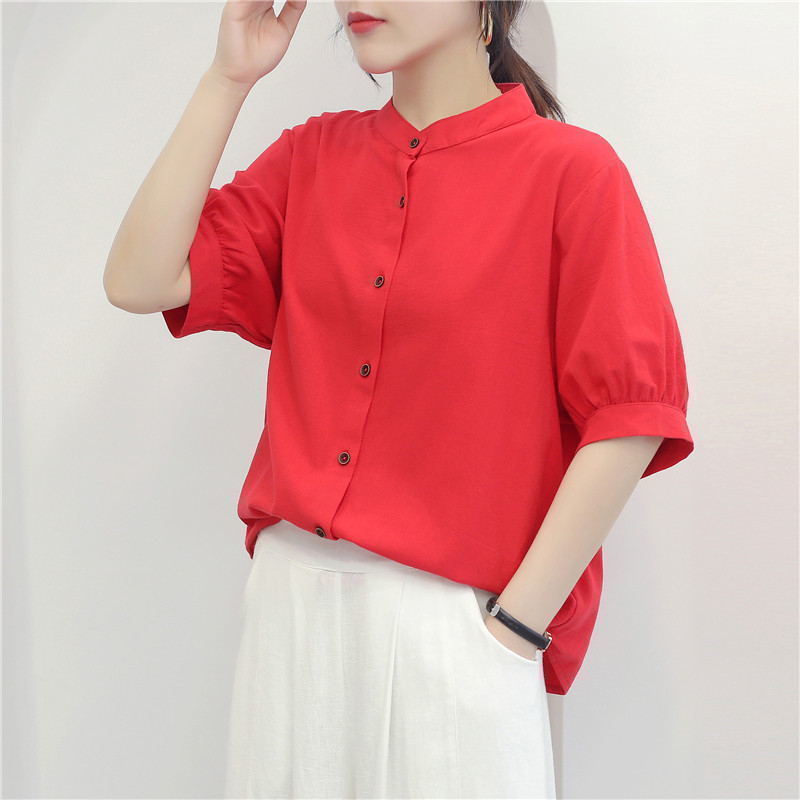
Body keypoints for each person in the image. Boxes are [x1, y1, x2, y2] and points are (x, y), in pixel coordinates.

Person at [103, 0, 695, 797]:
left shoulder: (572, 173)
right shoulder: (311, 156)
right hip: (290, 612)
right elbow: (139, 280)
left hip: (455, 626)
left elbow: (628, 418)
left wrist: (513, 628)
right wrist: (228, 78)